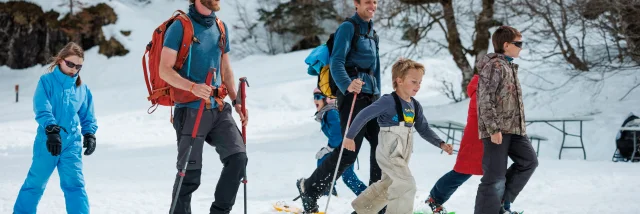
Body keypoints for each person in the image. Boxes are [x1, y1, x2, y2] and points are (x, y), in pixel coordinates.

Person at [159, 0, 249, 213]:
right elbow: (165, 70)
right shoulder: (180, 27)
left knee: (238, 159)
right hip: (189, 109)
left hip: (217, 108)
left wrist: (236, 101)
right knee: (188, 176)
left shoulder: (220, 26)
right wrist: (192, 87)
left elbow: (225, 69)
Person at [295, 0, 383, 213]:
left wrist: (379, 97)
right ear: (357, 3)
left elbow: (376, 68)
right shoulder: (348, 28)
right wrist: (347, 85)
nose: (372, 5)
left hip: (371, 97)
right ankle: (310, 188)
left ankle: (376, 201)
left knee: (381, 147)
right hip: (352, 96)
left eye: (375, 1)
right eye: (368, 1)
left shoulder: (373, 33)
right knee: (348, 151)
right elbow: (336, 62)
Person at [349, 58, 454, 214]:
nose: (418, 86)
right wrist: (350, 136)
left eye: (420, 82)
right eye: (414, 82)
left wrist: (441, 143)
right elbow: (364, 115)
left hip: (402, 152)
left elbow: (423, 128)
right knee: (406, 185)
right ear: (399, 81)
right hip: (389, 151)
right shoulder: (388, 101)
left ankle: (361, 211)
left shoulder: (414, 105)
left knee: (389, 185)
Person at [13, 42, 98, 214]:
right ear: (60, 60)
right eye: (70, 64)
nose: (74, 69)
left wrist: (89, 133)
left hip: (71, 144)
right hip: (48, 141)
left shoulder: (82, 88)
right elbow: (42, 107)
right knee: (35, 183)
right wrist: (51, 129)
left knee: (75, 185)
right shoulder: (46, 82)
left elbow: (87, 115)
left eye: (78, 66)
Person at [474, 26, 538, 214]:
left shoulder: (509, 65)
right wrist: (493, 129)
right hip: (497, 130)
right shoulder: (494, 66)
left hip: (515, 130)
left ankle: (500, 203)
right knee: (494, 177)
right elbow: (485, 99)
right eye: (518, 44)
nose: (521, 47)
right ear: (506, 45)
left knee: (529, 161)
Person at [423, 69, 485, 214]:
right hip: (475, 140)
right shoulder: (481, 89)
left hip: (487, 139)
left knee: (495, 175)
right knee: (462, 172)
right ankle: (434, 199)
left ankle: (500, 206)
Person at [312, 88, 368, 197]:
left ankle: (369, 199)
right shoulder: (327, 112)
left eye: (318, 97)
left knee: (347, 176)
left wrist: (328, 148)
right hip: (342, 147)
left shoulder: (331, 112)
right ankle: (327, 190)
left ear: (327, 99)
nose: (315, 100)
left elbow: (338, 135)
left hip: (345, 147)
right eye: (314, 97)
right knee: (345, 175)